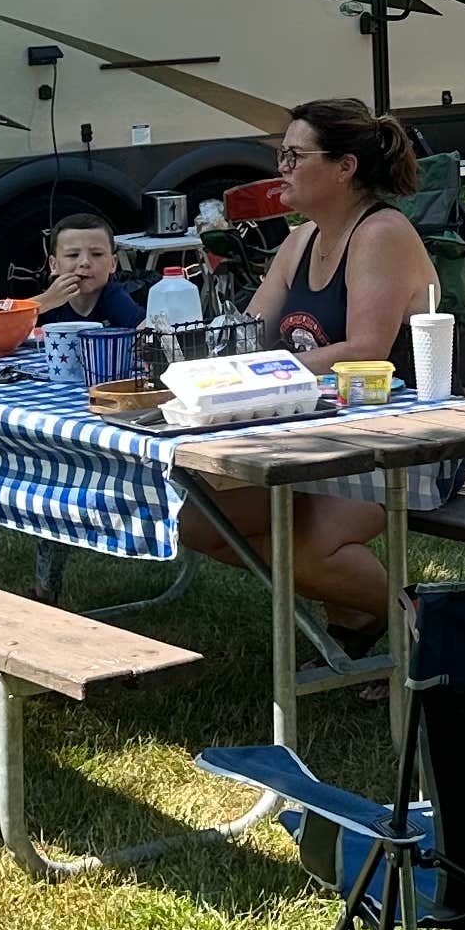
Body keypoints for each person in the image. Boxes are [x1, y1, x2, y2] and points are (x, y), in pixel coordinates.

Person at [191, 100, 437, 637]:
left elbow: (366, 350)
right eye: (281, 155)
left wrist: (266, 370)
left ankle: (432, 632)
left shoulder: (381, 233)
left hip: (401, 439)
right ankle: (355, 608)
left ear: (344, 167)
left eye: (294, 156)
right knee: (199, 521)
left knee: (308, 551)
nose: (281, 168)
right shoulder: (299, 239)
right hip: (316, 435)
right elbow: (247, 335)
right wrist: (198, 359)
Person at [29, 210, 143, 328]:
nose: (85, 262)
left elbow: (147, 331)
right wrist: (46, 301)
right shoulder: (50, 300)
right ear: (54, 265)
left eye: (97, 254)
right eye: (73, 255)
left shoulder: (114, 297)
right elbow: (14, 322)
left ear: (113, 264)